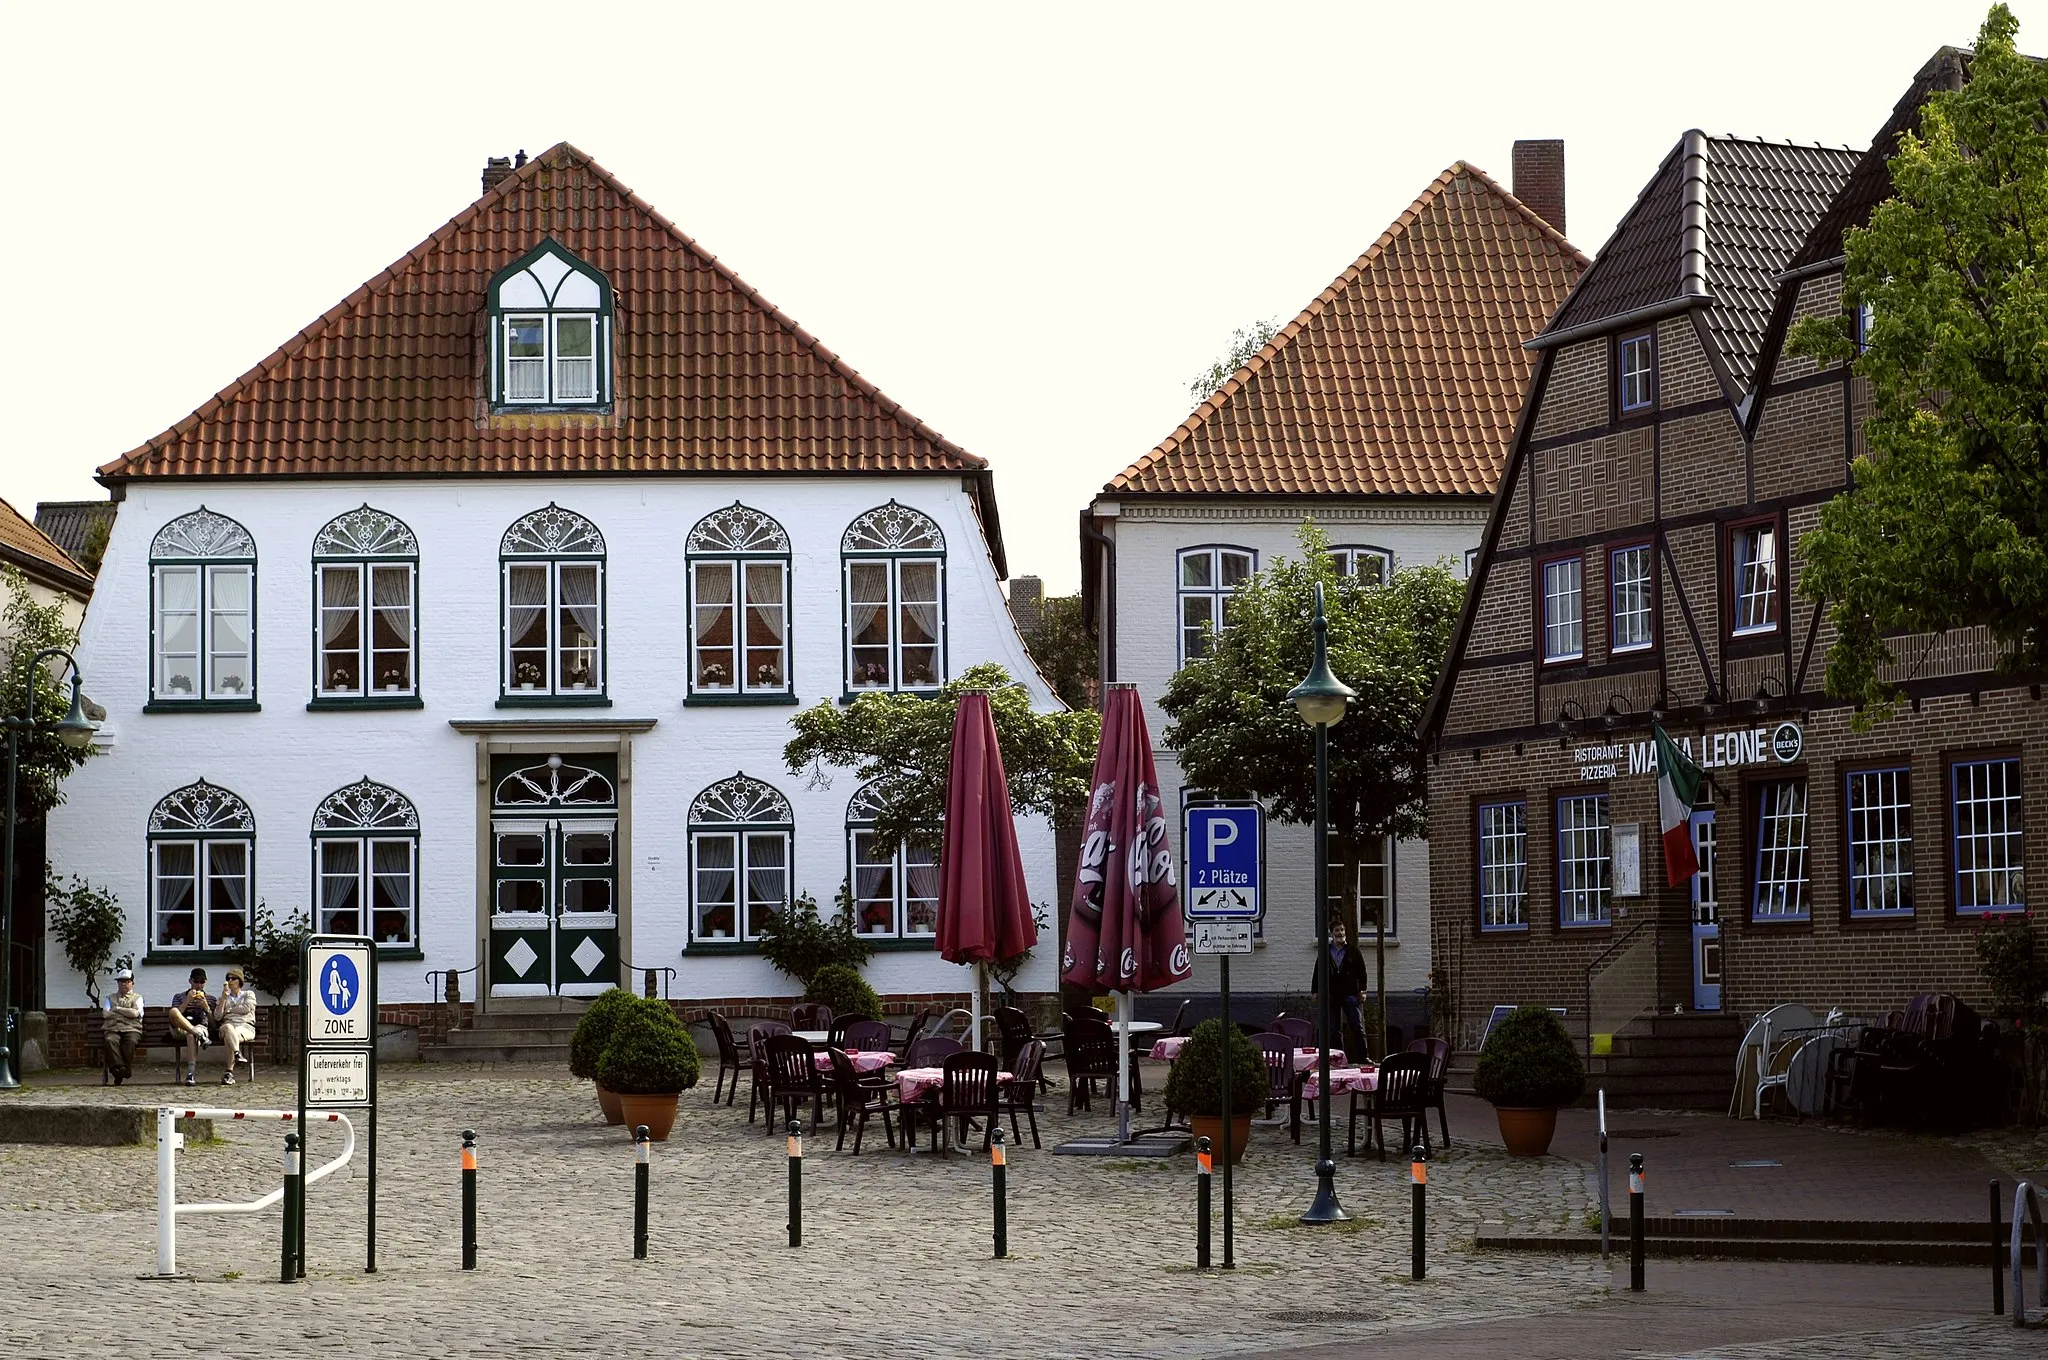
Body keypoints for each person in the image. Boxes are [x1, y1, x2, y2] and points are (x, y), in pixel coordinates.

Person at [1310, 920, 1373, 1060]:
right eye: (1337, 930)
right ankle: (1339, 1058)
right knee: (1334, 1029)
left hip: (1350, 993)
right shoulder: (1325, 951)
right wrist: (1315, 991)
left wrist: (1363, 990)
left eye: (1342, 930)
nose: (1340, 933)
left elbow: (1362, 971)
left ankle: (1364, 1057)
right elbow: (1318, 971)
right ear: (1332, 933)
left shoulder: (1353, 950)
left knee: (1357, 1026)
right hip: (1332, 994)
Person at [166, 967, 214, 1086]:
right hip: (180, 1028)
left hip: (200, 1027)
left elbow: (213, 1025)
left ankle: (190, 1074)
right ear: (190, 981)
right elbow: (174, 1017)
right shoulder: (179, 997)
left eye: (202, 982)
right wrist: (187, 1001)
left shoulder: (211, 999)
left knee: (192, 1034)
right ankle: (198, 1035)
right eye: (196, 981)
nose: (198, 985)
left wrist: (207, 1008)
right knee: (173, 1011)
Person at [102, 968, 144, 1086]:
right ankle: (122, 1070)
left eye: (127, 981)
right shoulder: (109, 997)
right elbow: (105, 1014)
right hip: (113, 1028)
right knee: (110, 1040)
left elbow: (135, 1013)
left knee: (130, 1041)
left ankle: (118, 1071)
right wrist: (127, 1012)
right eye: (121, 981)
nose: (123, 984)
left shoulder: (138, 998)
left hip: (132, 1028)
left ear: (132, 983)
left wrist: (117, 1009)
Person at [215, 968, 257, 1084]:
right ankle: (237, 1053)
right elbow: (218, 1016)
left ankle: (229, 1073)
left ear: (239, 981)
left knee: (231, 1035)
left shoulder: (248, 994)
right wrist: (224, 998)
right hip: (227, 1026)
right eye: (228, 979)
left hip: (245, 1026)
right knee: (228, 1028)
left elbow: (246, 1008)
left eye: (233, 978)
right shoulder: (222, 998)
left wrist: (228, 1010)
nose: (230, 981)